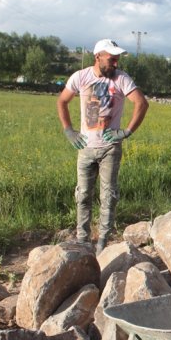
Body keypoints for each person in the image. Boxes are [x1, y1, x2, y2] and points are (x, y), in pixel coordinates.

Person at [57, 39, 149, 255]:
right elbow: (62, 101)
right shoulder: (80, 77)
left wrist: (127, 131)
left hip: (110, 148)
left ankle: (102, 245)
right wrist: (69, 130)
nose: (116, 64)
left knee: (108, 196)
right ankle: (83, 241)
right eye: (112, 59)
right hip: (86, 148)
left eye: (117, 60)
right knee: (83, 195)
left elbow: (142, 102)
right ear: (97, 57)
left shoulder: (121, 79)